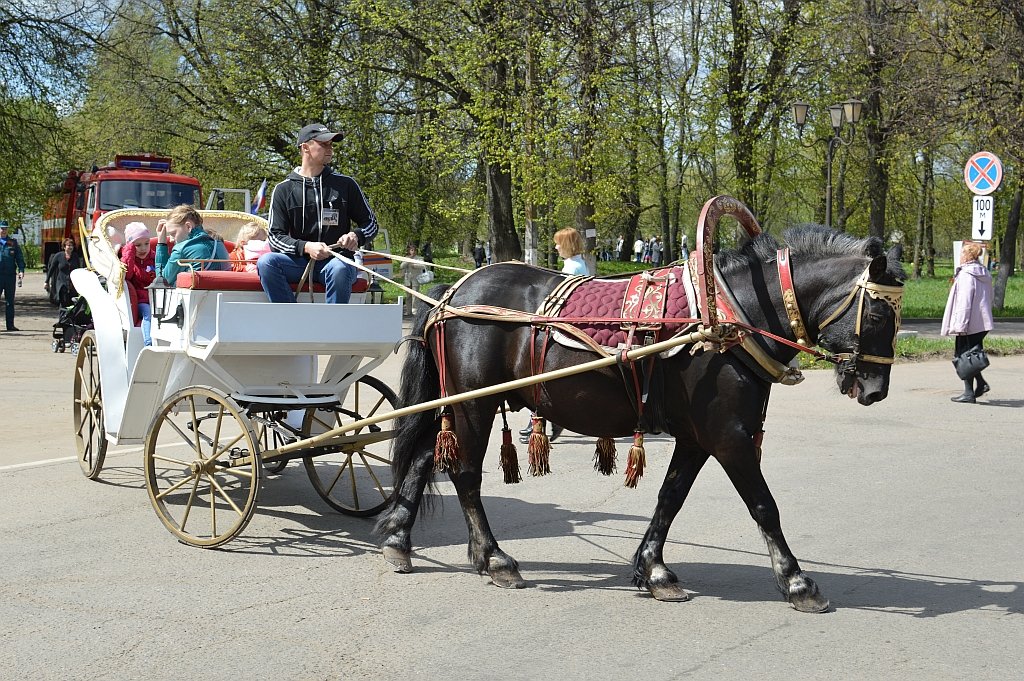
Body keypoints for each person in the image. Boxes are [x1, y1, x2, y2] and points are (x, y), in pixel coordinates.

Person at [258, 122, 379, 304]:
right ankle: (289, 321)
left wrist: (356, 235)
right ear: (305, 147)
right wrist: (306, 247)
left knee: (339, 269)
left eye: (331, 144)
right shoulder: (283, 189)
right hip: (297, 262)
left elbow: (371, 224)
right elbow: (275, 237)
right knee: (266, 263)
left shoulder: (346, 185)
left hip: (337, 261)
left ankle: (332, 329)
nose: (330, 148)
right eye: (324, 144)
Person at [941, 241, 994, 403]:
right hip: (982, 322)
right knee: (970, 355)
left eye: (962, 253)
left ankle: (969, 393)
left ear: (967, 255)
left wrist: (961, 325)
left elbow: (964, 303)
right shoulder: (983, 272)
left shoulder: (966, 274)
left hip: (969, 323)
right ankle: (981, 384)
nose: (960, 256)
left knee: (963, 356)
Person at [155, 204, 230, 282]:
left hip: (197, 293)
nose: (171, 239)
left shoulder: (182, 249)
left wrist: (161, 244)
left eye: (173, 234)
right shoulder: (219, 244)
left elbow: (161, 281)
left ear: (188, 227)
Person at [121, 222, 156, 346]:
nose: (143, 248)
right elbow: (128, 275)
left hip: (156, 299)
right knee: (147, 313)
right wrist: (129, 251)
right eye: (138, 245)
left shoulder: (154, 258)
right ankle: (148, 342)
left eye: (147, 243)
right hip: (141, 301)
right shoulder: (130, 260)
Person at [0, 221, 26, 331]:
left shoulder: (12, 243)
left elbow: (19, 258)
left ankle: (10, 325)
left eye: (5, 228)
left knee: (10, 301)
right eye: (1, 228)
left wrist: (21, 270)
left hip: (10, 276)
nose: (3, 230)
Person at [45, 238, 84, 307]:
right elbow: (51, 269)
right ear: (64, 247)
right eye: (68, 245)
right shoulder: (58, 256)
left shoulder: (75, 256)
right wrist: (46, 281)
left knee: (72, 304)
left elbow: (78, 269)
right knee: (63, 302)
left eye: (72, 245)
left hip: (72, 284)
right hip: (62, 283)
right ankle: (62, 317)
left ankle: (70, 317)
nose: (70, 247)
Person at [399, 243, 425, 317]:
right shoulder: (406, 257)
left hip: (415, 279)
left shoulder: (419, 258)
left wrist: (414, 265)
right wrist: (408, 260)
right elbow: (402, 266)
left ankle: (415, 310)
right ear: (409, 251)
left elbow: (423, 266)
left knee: (415, 295)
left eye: (414, 250)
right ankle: (408, 311)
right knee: (408, 296)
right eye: (411, 250)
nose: (413, 252)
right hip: (407, 280)